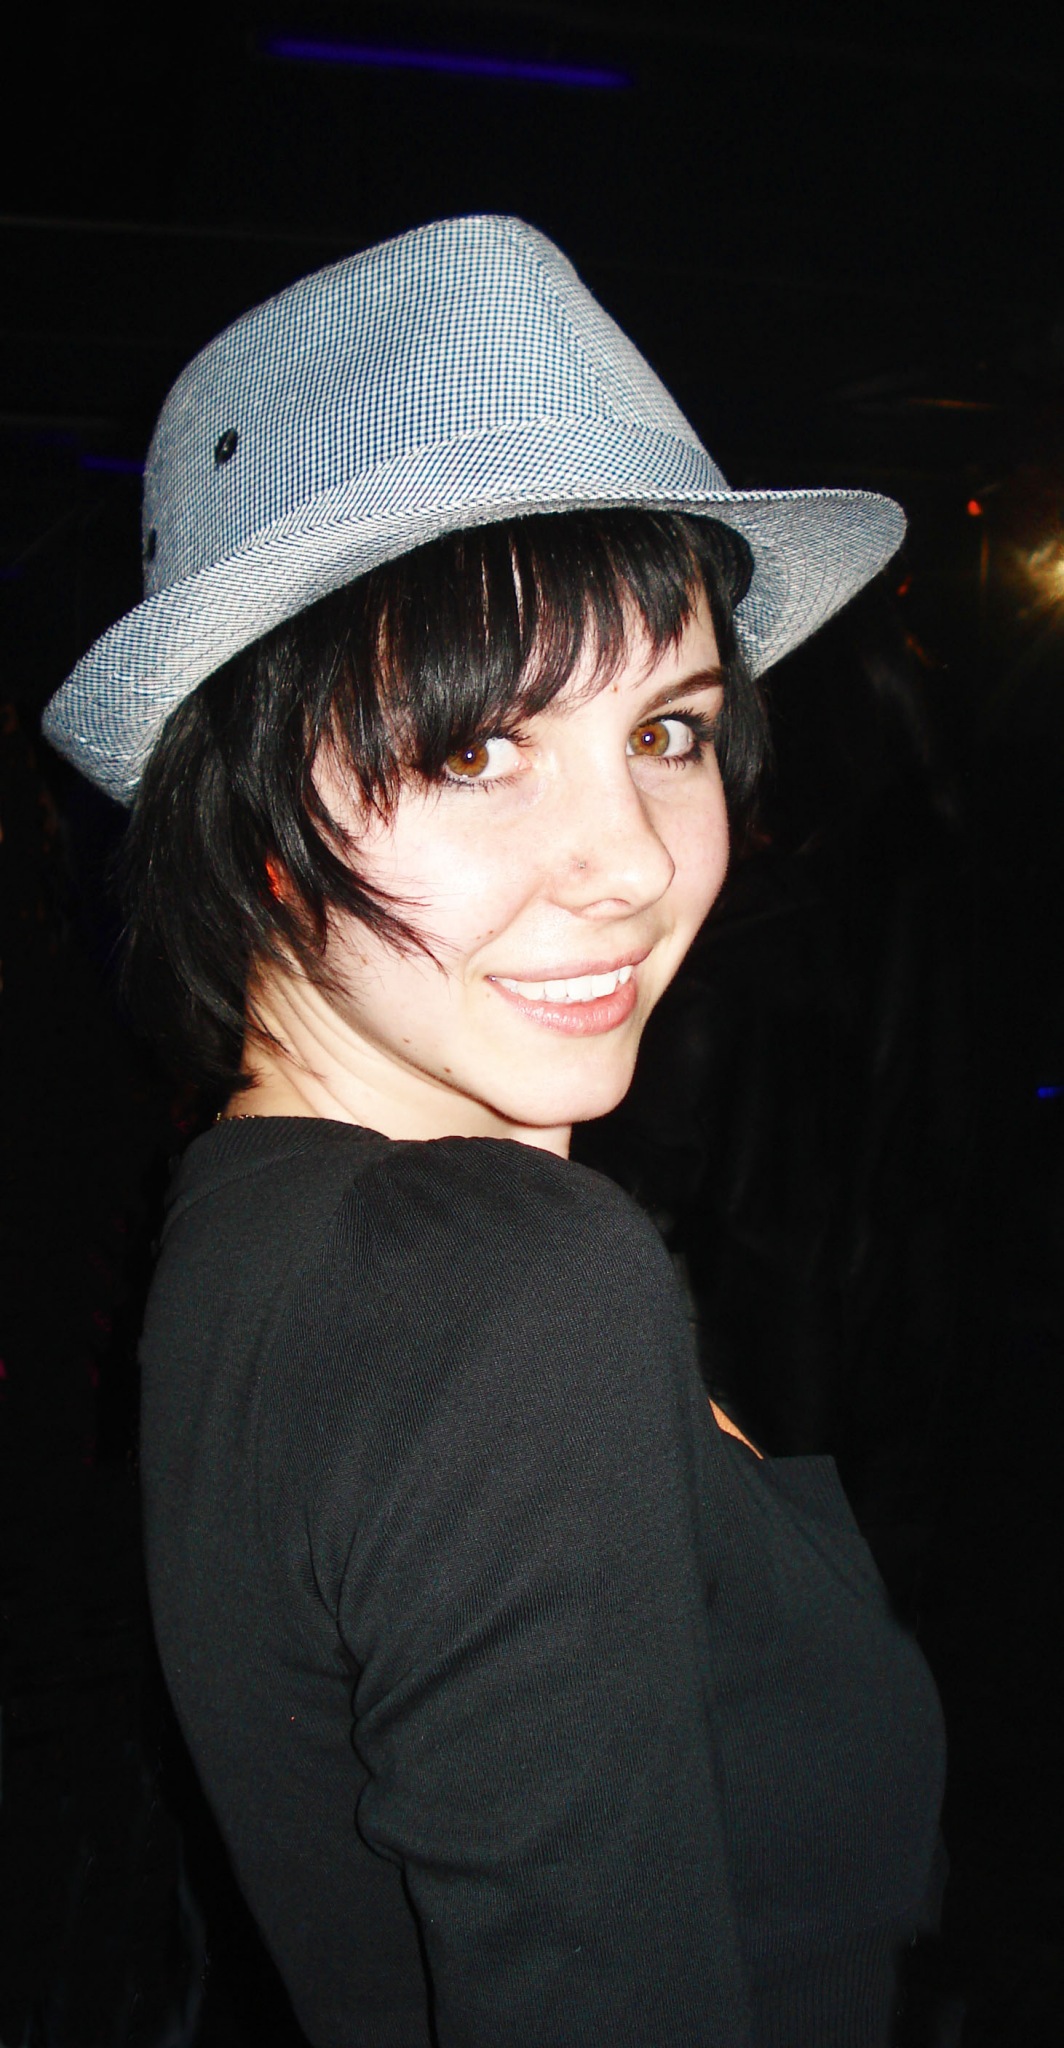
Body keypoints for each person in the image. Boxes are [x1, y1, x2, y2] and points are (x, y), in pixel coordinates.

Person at [43, 216, 946, 2047]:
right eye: (474, 751)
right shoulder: (506, 1297)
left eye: (668, 733)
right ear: (248, 813)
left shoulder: (243, 1229)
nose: (630, 867)